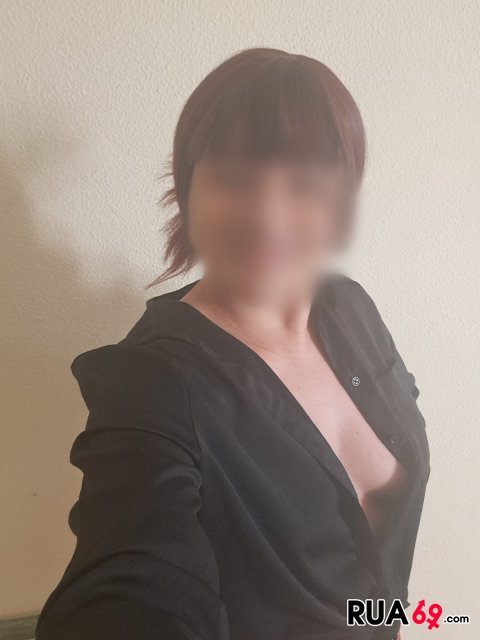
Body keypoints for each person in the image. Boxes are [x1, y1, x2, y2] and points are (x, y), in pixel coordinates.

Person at [35, 47, 430, 640]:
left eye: (304, 182)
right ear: (188, 189)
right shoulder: (151, 384)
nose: (269, 216)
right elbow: (128, 578)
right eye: (234, 179)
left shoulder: (351, 309)